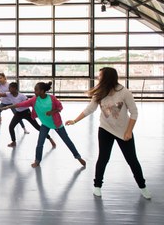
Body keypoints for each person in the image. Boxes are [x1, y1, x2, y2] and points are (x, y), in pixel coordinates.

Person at [65, 67, 151, 199]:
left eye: (100, 76)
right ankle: (97, 186)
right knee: (103, 158)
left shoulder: (124, 92)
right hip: (105, 129)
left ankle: (142, 186)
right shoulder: (100, 93)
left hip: (123, 131)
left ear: (108, 78)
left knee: (132, 160)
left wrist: (129, 132)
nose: (99, 78)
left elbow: (134, 112)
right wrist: (75, 120)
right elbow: (90, 109)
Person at [9, 81, 85, 168]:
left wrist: (53, 111)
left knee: (67, 141)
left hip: (56, 124)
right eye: (34, 90)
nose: (34, 92)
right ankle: (37, 161)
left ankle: (78, 157)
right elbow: (22, 104)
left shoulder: (52, 98)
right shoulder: (35, 99)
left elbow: (60, 107)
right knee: (40, 143)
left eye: (36, 90)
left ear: (42, 91)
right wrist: (8, 107)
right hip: (45, 124)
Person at [0, 82, 56, 148]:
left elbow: (30, 103)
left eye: (10, 88)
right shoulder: (9, 94)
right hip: (18, 113)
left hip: (26, 112)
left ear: (14, 88)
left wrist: (33, 112)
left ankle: (50, 138)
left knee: (37, 127)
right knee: (11, 127)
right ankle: (13, 142)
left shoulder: (21, 96)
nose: (9, 89)